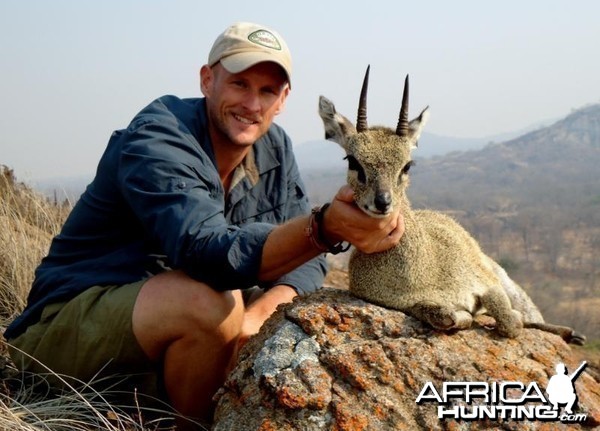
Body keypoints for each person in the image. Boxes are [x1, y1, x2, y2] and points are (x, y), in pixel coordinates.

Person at [4, 22, 404, 428]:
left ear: (283, 100)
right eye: (240, 84)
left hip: (163, 335)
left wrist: (256, 320)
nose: (252, 103)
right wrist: (324, 229)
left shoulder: (275, 148)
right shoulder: (160, 134)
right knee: (210, 305)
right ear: (207, 80)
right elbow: (207, 252)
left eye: (267, 91)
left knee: (244, 313)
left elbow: (305, 263)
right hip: (61, 327)